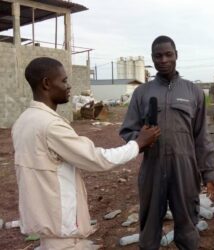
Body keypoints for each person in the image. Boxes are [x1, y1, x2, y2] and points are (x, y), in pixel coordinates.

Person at [12, 57, 161, 250]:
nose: (69, 86)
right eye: (64, 81)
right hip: (62, 231)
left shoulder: (23, 121)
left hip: (44, 222)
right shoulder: (50, 126)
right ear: (47, 83)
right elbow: (96, 159)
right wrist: (138, 144)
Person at [120, 35, 214, 249]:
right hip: (152, 168)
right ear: (152, 58)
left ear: (177, 56)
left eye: (168, 54)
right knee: (149, 225)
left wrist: (210, 174)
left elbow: (201, 136)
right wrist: (141, 140)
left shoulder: (193, 92)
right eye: (158, 56)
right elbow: (127, 130)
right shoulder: (142, 93)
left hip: (184, 169)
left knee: (187, 222)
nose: (163, 60)